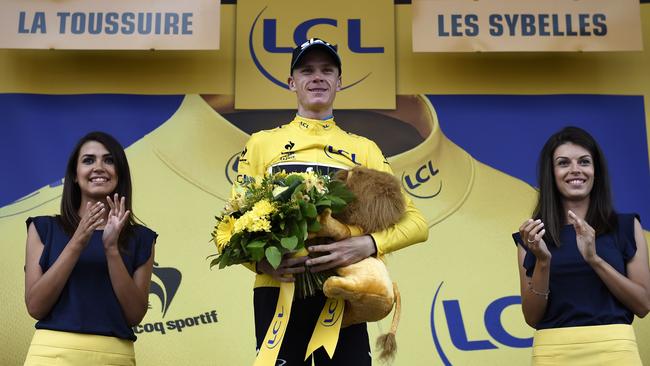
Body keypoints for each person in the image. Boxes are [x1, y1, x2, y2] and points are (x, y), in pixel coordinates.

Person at [235, 38, 429, 365]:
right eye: (307, 70)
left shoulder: (365, 149)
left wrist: (366, 243)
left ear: (339, 82)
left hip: (345, 290)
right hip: (278, 289)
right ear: (291, 82)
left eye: (327, 70)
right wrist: (262, 262)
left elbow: (417, 223)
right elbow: (232, 225)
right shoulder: (260, 144)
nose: (317, 77)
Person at [513, 126, 650, 365]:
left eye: (584, 161)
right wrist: (543, 262)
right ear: (552, 173)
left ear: (596, 171)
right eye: (564, 163)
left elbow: (643, 304)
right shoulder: (533, 236)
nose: (575, 170)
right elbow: (532, 317)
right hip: (553, 354)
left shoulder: (626, 226)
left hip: (616, 352)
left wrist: (594, 259)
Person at [23, 131, 157, 365]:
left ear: (120, 173)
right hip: (51, 354)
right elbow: (35, 307)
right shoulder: (43, 228)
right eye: (88, 160)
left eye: (109, 160)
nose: (99, 167)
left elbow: (134, 315)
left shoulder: (142, 238)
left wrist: (111, 249)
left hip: (114, 356)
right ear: (75, 175)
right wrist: (77, 241)